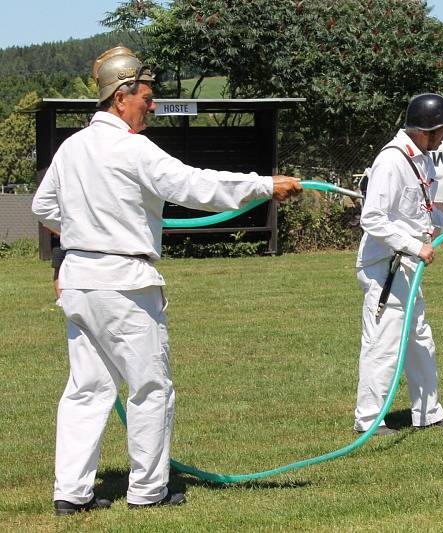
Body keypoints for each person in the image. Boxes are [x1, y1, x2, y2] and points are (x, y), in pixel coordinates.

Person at [31, 46, 303, 516]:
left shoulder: (72, 147)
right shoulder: (132, 148)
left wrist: (80, 237)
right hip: (126, 282)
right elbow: (195, 186)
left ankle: (71, 494)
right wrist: (264, 185)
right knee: (149, 388)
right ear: (121, 97)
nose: (153, 105)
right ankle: (147, 491)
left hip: (79, 280)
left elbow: (44, 208)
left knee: (86, 389)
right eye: (147, 96)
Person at [354, 93, 443, 436]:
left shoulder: (422, 159)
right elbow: (373, 219)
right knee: (383, 342)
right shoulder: (391, 162)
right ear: (427, 129)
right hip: (386, 268)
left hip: (406, 266)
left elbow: (425, 209)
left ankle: (428, 413)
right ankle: (369, 421)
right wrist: (414, 246)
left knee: (420, 339)